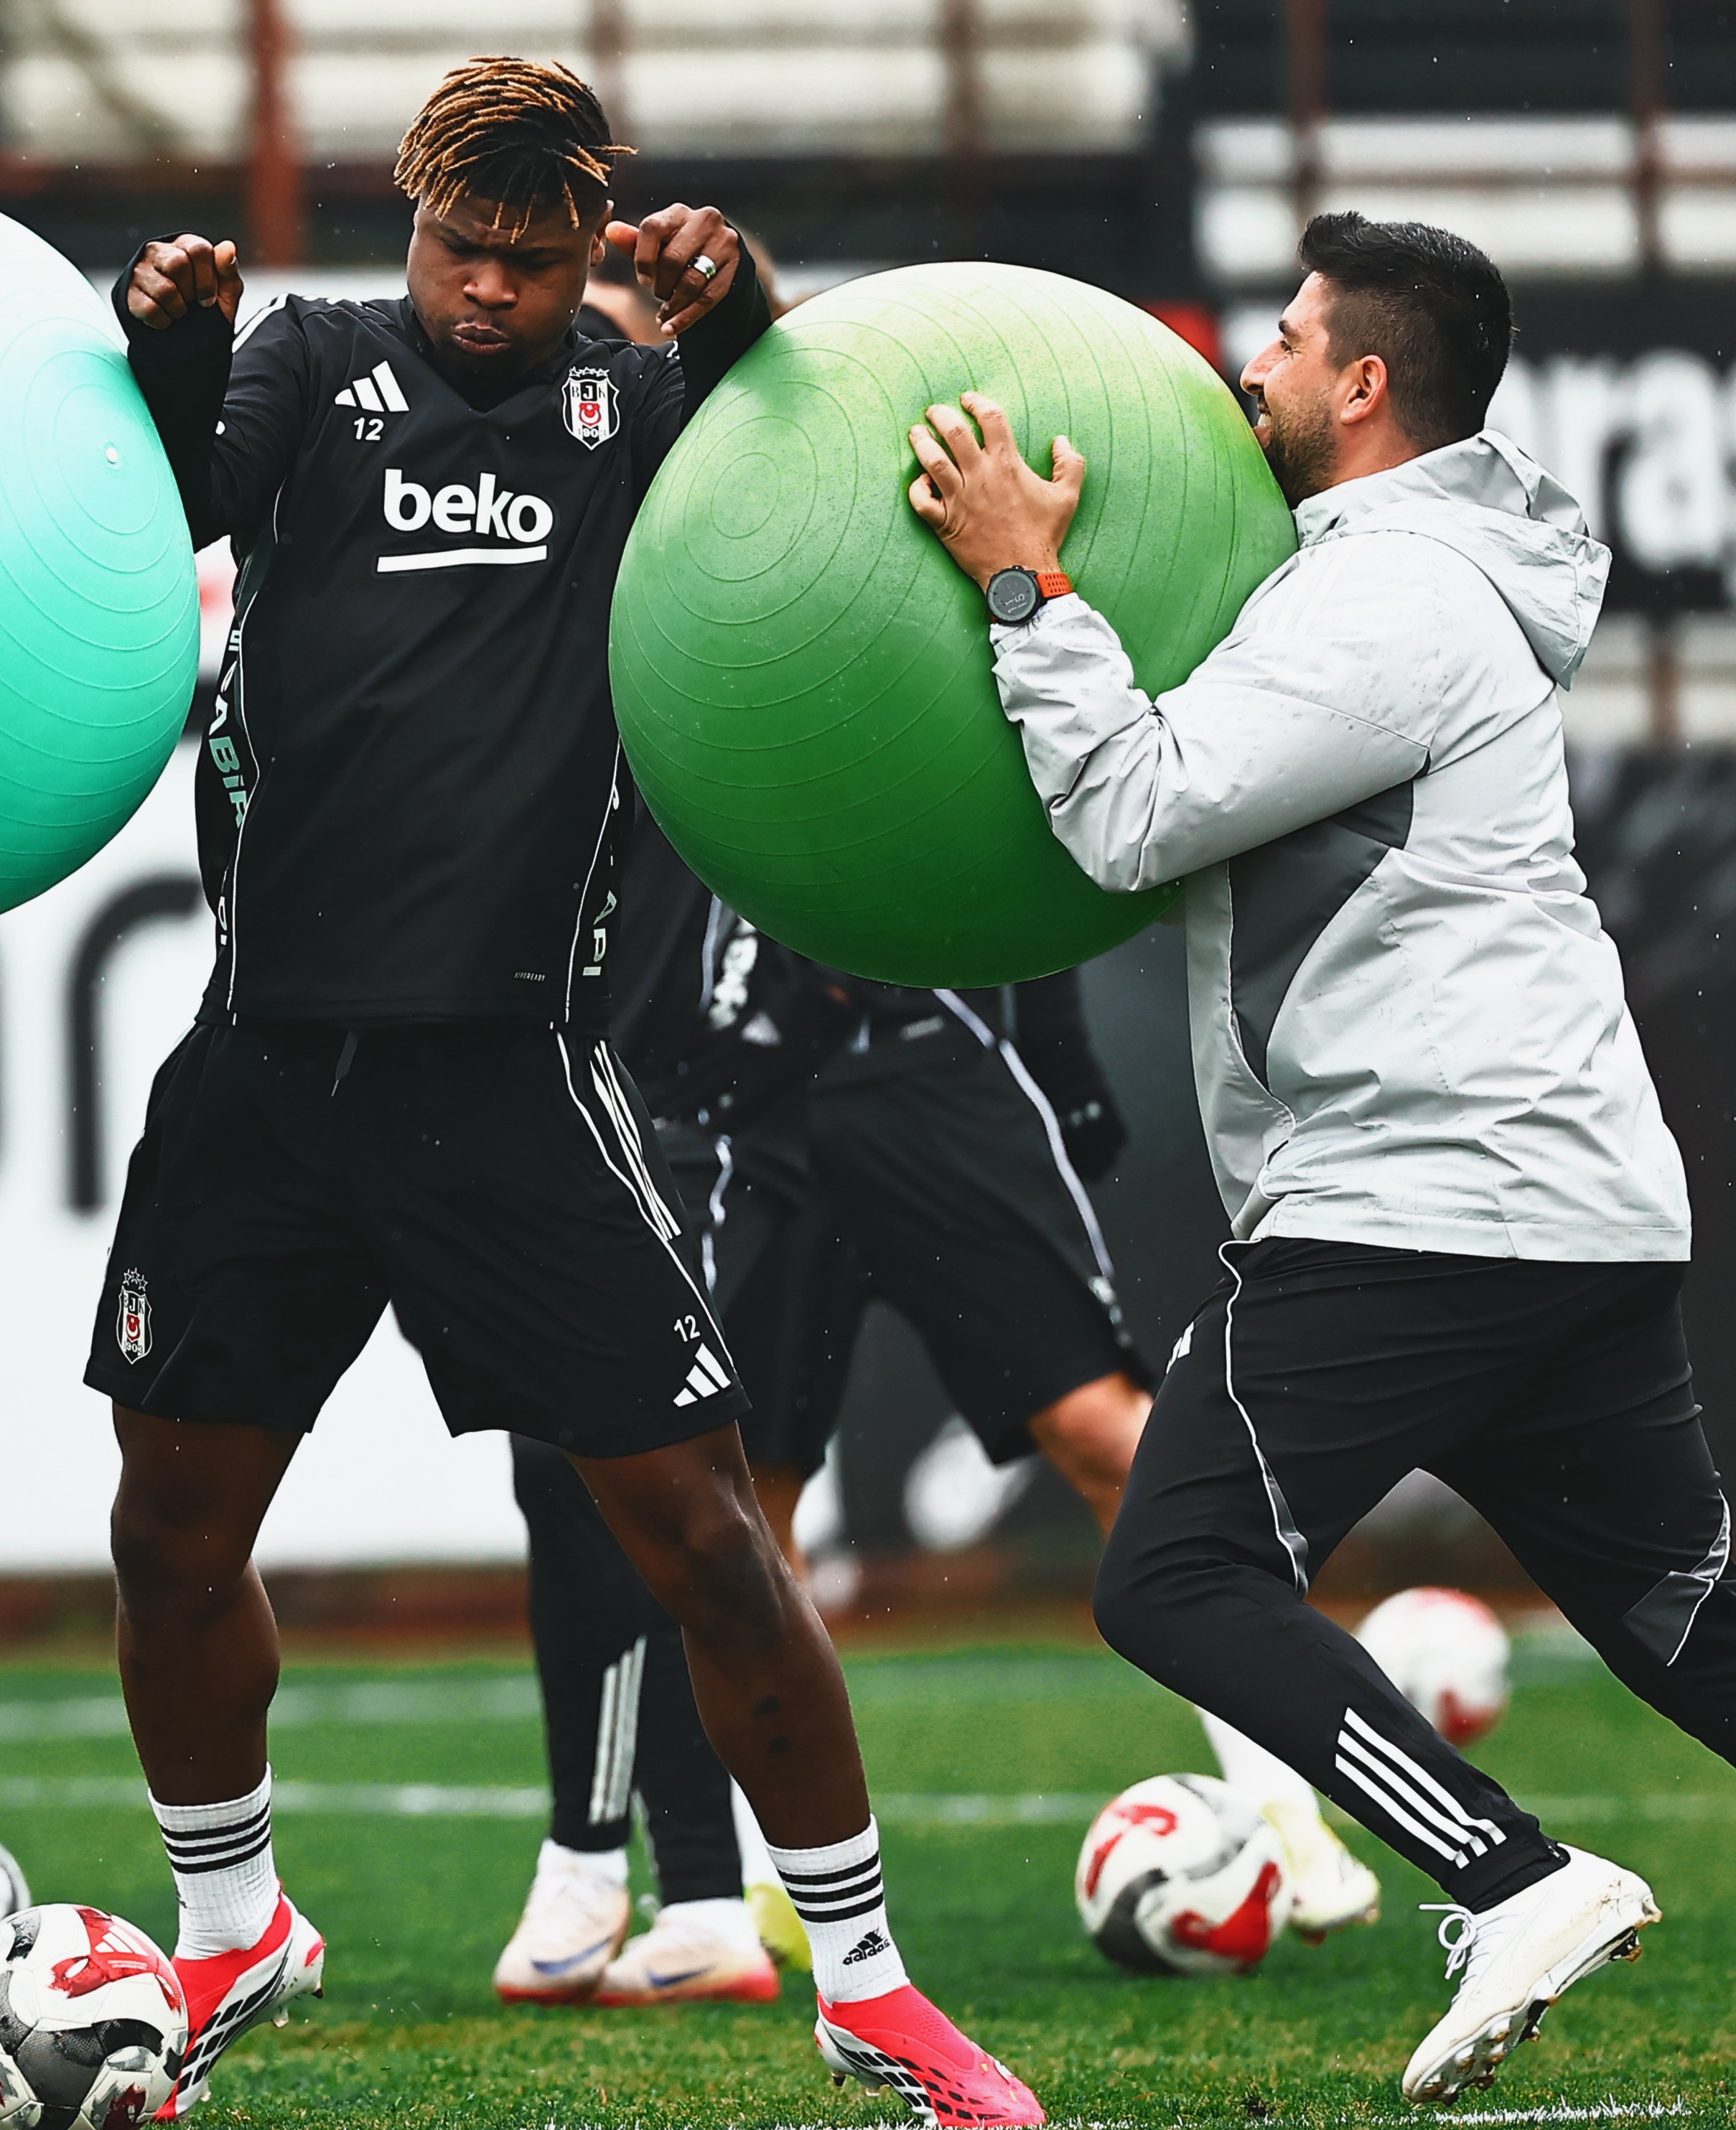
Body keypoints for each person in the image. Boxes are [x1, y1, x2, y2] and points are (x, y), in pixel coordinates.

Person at [91, 56, 1041, 2128]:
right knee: (169, 1535)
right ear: (413, 226)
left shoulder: (634, 410)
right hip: (262, 1071)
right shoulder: (308, 365)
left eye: (531, 264)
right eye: (461, 251)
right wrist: (163, 344)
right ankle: (230, 1918)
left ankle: (868, 1986)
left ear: (585, 254)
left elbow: (811, 457)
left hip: (512, 1076)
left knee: (700, 1536)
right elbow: (174, 503)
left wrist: (742, 298)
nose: (490, 295)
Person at [906, 209, 1736, 2103]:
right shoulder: (1392, 576)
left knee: (1172, 1576)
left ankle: (1510, 1878)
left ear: (1362, 383)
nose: (1253, 366)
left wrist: (1026, 588)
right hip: (1553, 1198)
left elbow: (1136, 815)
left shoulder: (1390, 594)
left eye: (1286, 339)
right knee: (1693, 1630)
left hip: (1427, 1196)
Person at [494, 826, 1381, 2007]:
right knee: (739, 1499)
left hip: (925, 1057)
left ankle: (1290, 1813)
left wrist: (1059, 1056)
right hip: (741, 1099)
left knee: (1104, 1433)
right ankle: (769, 1887)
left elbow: (989, 807)